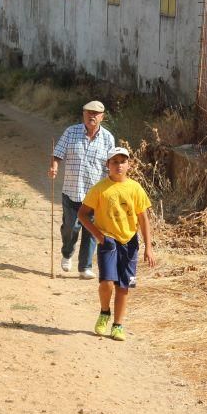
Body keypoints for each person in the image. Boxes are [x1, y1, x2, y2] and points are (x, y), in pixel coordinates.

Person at [77, 147, 156, 342]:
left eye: (123, 161)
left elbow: (143, 218)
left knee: (123, 286)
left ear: (129, 165)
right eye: (114, 162)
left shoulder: (135, 188)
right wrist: (98, 235)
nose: (119, 165)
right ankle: (105, 312)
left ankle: (118, 325)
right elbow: (82, 214)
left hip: (129, 242)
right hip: (108, 240)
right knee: (107, 282)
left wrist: (149, 247)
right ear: (108, 165)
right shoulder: (100, 189)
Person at [48, 100, 115, 279]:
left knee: (91, 231)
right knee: (71, 227)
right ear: (83, 114)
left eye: (96, 113)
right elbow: (58, 153)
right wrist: (54, 166)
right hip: (71, 191)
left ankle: (85, 267)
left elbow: (111, 167)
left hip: (93, 195)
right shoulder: (71, 132)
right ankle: (67, 252)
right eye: (88, 112)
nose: (92, 116)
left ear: (102, 117)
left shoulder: (108, 138)